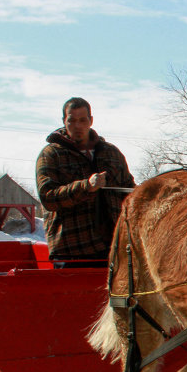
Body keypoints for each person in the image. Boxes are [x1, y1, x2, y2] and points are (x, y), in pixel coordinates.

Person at [36, 97, 135, 267]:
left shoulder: (111, 153)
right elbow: (48, 197)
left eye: (82, 120)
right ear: (64, 122)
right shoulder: (51, 154)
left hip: (113, 248)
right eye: (72, 120)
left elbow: (130, 192)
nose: (78, 126)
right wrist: (86, 186)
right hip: (71, 251)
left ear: (91, 121)